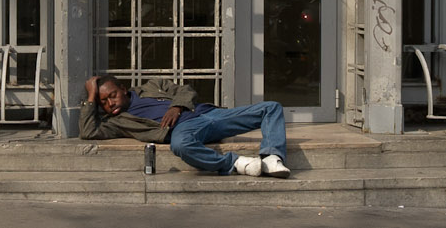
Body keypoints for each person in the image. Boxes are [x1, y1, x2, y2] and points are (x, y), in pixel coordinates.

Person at [78, 74, 291, 178]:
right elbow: (88, 131)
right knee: (180, 145)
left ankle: (271, 157)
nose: (110, 103)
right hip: (183, 130)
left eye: (112, 96)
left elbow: (186, 90)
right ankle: (235, 163)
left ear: (123, 89)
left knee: (270, 107)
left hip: (208, 114)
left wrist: (176, 107)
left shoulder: (152, 86)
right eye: (102, 102)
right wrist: (90, 96)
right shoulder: (116, 122)